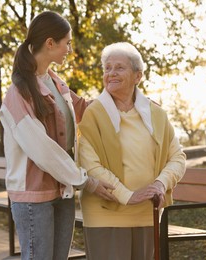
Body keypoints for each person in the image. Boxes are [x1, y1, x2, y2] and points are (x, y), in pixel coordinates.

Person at [0, 11, 115, 260]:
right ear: (50, 43)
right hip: (33, 198)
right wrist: (86, 181)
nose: (70, 49)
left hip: (62, 190)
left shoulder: (55, 82)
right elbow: (43, 150)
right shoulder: (17, 95)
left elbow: (83, 108)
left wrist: (126, 99)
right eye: (67, 43)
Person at [78, 42, 187, 260]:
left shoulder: (157, 114)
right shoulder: (93, 113)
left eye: (119, 67)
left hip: (148, 213)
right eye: (107, 68)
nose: (111, 73)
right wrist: (128, 196)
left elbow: (178, 157)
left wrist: (160, 184)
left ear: (138, 76)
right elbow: (89, 164)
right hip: (105, 214)